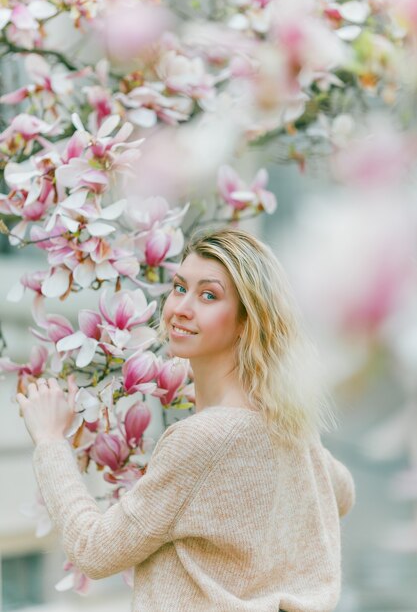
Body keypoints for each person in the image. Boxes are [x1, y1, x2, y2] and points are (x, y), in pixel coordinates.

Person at [17, 227, 355, 612]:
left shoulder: (203, 439)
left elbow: (94, 551)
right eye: (180, 288)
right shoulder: (286, 423)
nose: (181, 307)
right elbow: (341, 493)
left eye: (208, 295)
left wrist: (50, 441)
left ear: (248, 320)